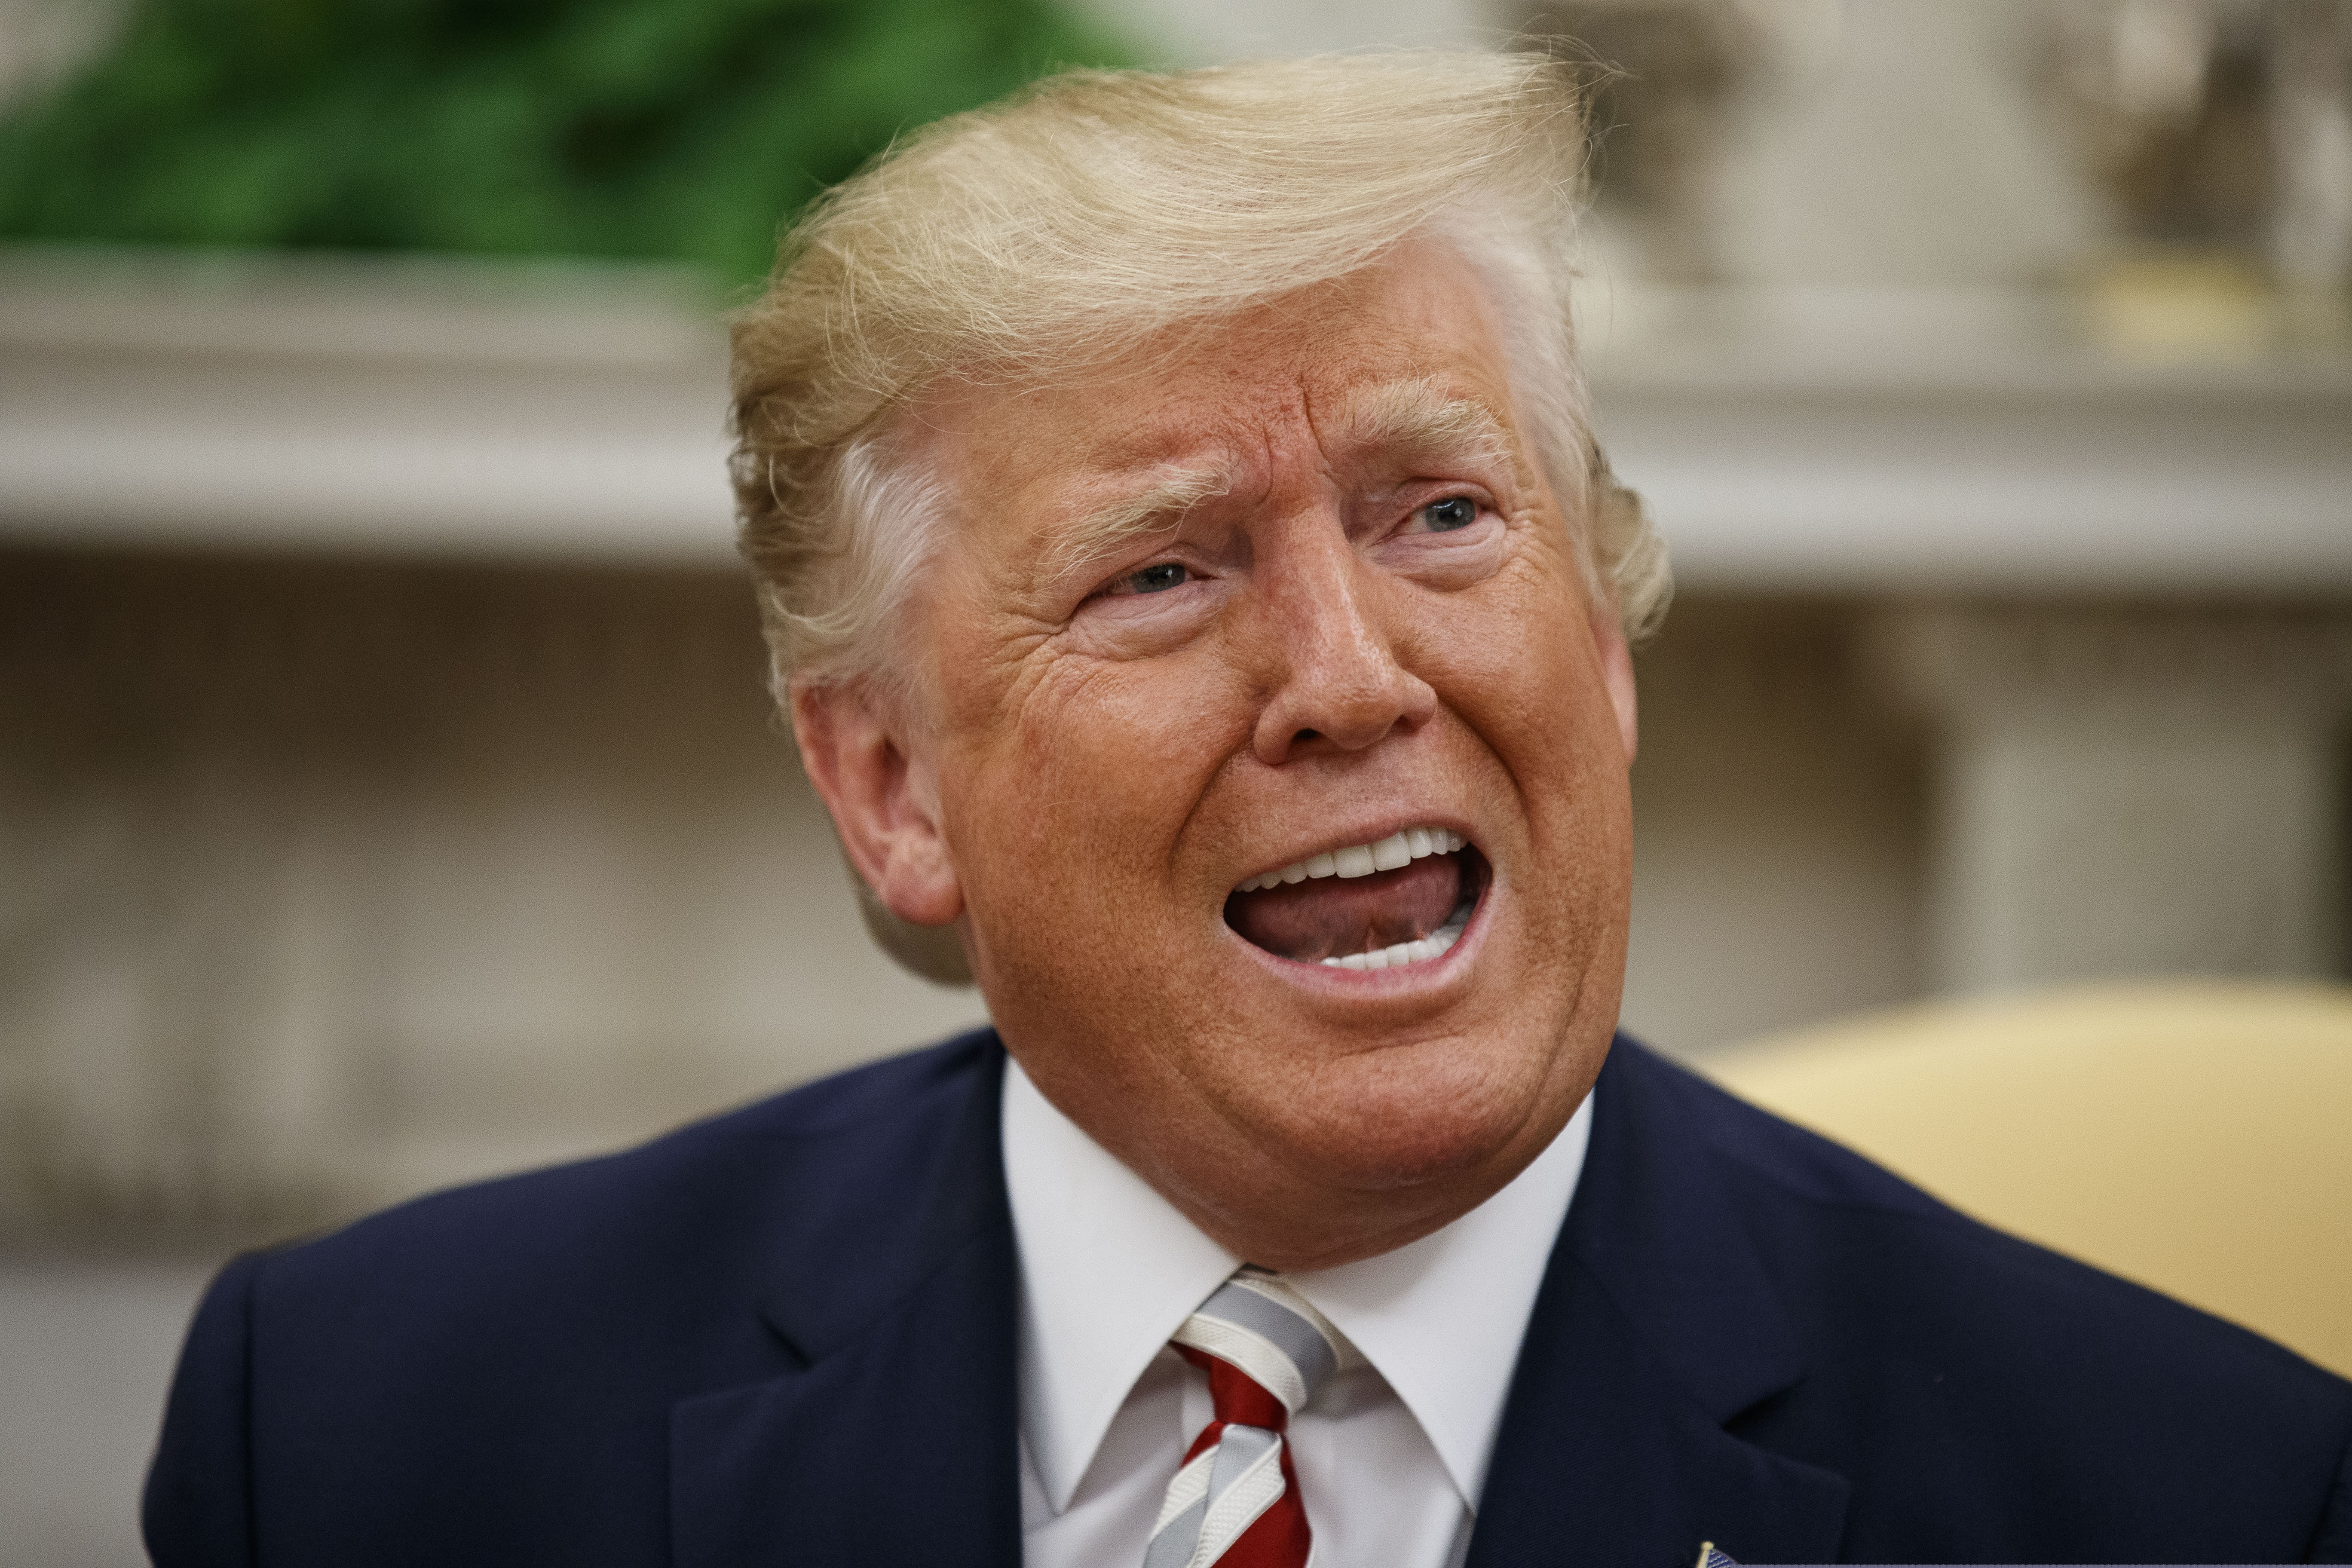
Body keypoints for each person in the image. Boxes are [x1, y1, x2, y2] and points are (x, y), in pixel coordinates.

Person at [145, 51, 2350, 1567]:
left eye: (1443, 514)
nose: (1354, 676)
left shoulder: (2191, 1504)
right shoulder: (372, 1436)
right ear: (893, 788)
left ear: (1602, 644)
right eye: (1164, 571)